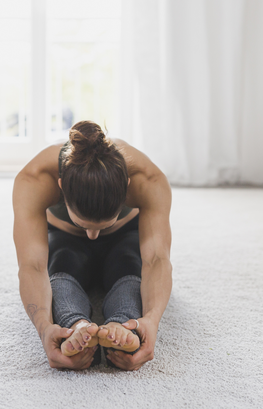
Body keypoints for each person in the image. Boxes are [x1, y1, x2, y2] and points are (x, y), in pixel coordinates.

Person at [12, 121, 173, 371]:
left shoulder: (149, 179)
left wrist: (151, 321)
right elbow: (32, 265)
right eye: (83, 224)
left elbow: (156, 260)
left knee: (130, 266)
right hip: (65, 240)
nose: (93, 235)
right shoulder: (34, 179)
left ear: (127, 187)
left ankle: (121, 326)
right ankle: (76, 327)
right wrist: (44, 329)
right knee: (60, 267)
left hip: (124, 237)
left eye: (102, 225)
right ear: (62, 186)